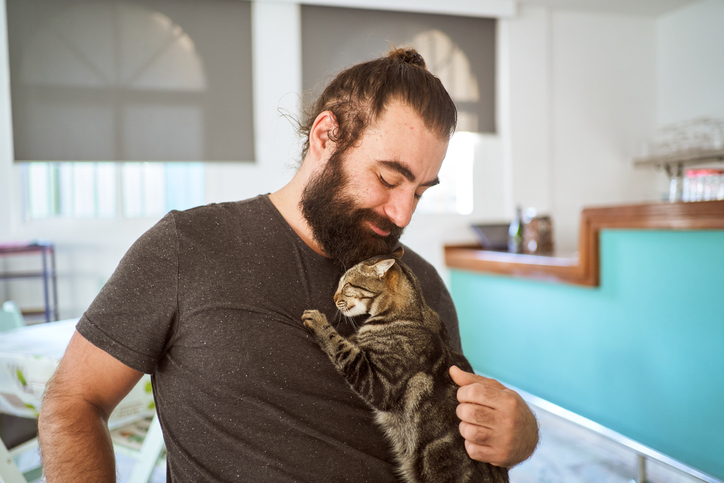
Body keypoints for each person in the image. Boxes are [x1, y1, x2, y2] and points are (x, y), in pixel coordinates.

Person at [38, 48, 538, 482]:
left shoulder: (419, 285)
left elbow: (460, 440)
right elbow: (73, 401)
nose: (403, 212)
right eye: (388, 179)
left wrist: (520, 435)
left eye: (420, 191)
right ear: (326, 137)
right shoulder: (186, 248)